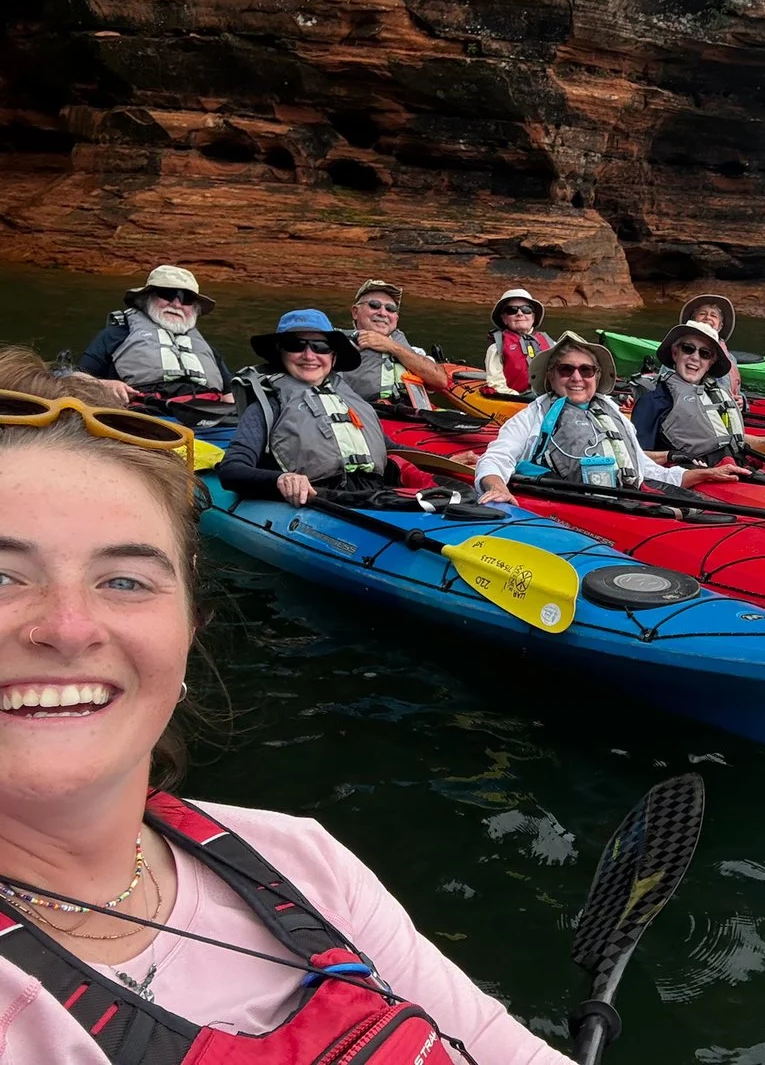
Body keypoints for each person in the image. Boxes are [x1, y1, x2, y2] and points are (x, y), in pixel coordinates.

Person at [0, 346, 574, 1064]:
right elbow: (240, 468)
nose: (67, 626)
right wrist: (280, 480)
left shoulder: (298, 858)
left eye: (125, 581)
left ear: (187, 632)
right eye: (2, 575)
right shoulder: (266, 405)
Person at [474, 332, 747, 504]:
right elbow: (497, 459)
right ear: (550, 375)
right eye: (566, 369)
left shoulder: (610, 410)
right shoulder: (534, 414)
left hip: (628, 499)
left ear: (597, 376)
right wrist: (497, 487)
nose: (577, 378)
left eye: (586, 370)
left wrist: (703, 474)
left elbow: (644, 469)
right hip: (581, 508)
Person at [217, 310, 389, 506]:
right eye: (295, 345)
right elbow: (231, 469)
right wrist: (281, 480)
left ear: (333, 356)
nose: (309, 356)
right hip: (318, 503)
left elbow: (389, 447)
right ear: (280, 353)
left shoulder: (350, 400)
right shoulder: (269, 406)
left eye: (321, 347)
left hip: (374, 498)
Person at [76, 265, 234, 406]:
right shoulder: (118, 334)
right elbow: (74, 379)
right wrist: (105, 385)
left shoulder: (205, 348)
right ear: (147, 298)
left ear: (194, 308)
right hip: (145, 417)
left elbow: (230, 396)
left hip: (209, 421)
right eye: (167, 294)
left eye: (187, 298)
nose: (176, 304)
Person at [631, 321, 745, 465]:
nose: (695, 357)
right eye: (688, 348)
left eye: (705, 353)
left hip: (734, 465)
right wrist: (671, 456)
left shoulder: (718, 395)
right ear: (674, 353)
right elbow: (636, 456)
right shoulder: (653, 400)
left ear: (710, 363)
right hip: (691, 476)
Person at [342, 278, 449, 405]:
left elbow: (440, 381)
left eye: (390, 309)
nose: (383, 313)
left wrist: (391, 346)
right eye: (374, 305)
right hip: (366, 415)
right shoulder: (337, 343)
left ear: (396, 318)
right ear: (355, 312)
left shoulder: (403, 345)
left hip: (412, 416)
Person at [483, 288, 553, 395]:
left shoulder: (551, 343)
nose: (520, 313)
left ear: (533, 317)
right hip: (517, 400)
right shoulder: (497, 348)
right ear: (504, 319)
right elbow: (496, 384)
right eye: (512, 310)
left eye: (526, 310)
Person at [678, 294, 744, 404]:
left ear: (720, 326)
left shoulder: (731, 358)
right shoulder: (681, 349)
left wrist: (742, 402)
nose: (708, 317)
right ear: (693, 320)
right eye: (702, 314)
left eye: (713, 316)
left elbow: (739, 392)